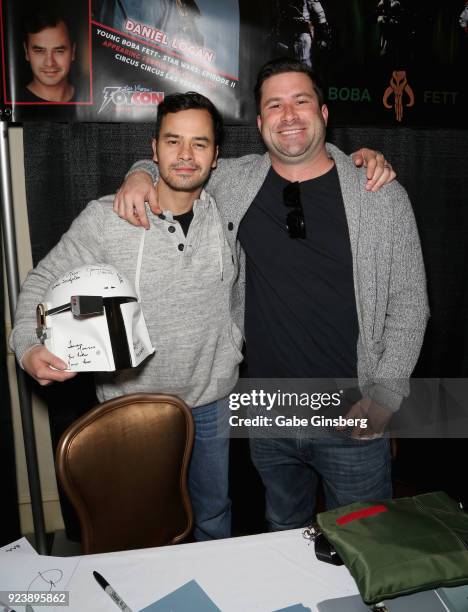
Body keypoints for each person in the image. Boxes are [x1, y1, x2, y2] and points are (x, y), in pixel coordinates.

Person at [114, 57, 428, 531]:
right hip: (266, 409)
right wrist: (140, 173)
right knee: (284, 537)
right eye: (274, 105)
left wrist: (386, 395)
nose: (289, 115)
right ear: (260, 123)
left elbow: (410, 303)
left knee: (371, 543)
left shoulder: (378, 194)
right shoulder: (234, 181)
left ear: (324, 114)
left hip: (353, 409)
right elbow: (179, 162)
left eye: (301, 101)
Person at [10, 92, 242, 541]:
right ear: (153, 149)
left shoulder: (229, 208)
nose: (186, 155)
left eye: (200, 143)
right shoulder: (106, 217)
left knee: (214, 516)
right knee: (139, 527)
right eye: (173, 141)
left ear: (216, 157)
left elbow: (295, 158)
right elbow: (42, 281)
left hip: (212, 400)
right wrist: (27, 344)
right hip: (131, 405)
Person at [21, 9, 77, 102]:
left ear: (73, 52)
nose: (49, 63)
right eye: (39, 51)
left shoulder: (92, 100)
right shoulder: (12, 103)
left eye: (59, 51)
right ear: (26, 52)